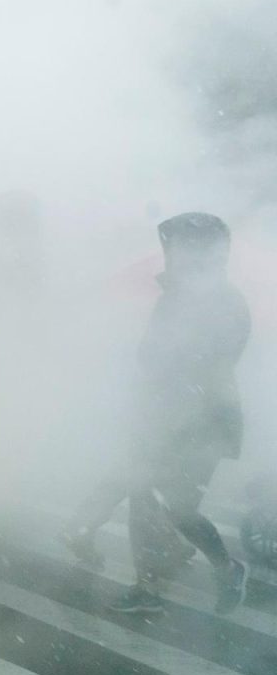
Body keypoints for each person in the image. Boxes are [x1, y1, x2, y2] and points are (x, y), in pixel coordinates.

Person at [65, 213, 251, 616]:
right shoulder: (177, 295)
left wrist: (175, 376)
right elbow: (152, 354)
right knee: (146, 496)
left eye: (176, 246)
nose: (168, 255)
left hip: (203, 421)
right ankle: (149, 585)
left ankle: (224, 567)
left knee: (177, 506)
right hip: (165, 416)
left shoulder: (223, 301)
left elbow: (211, 362)